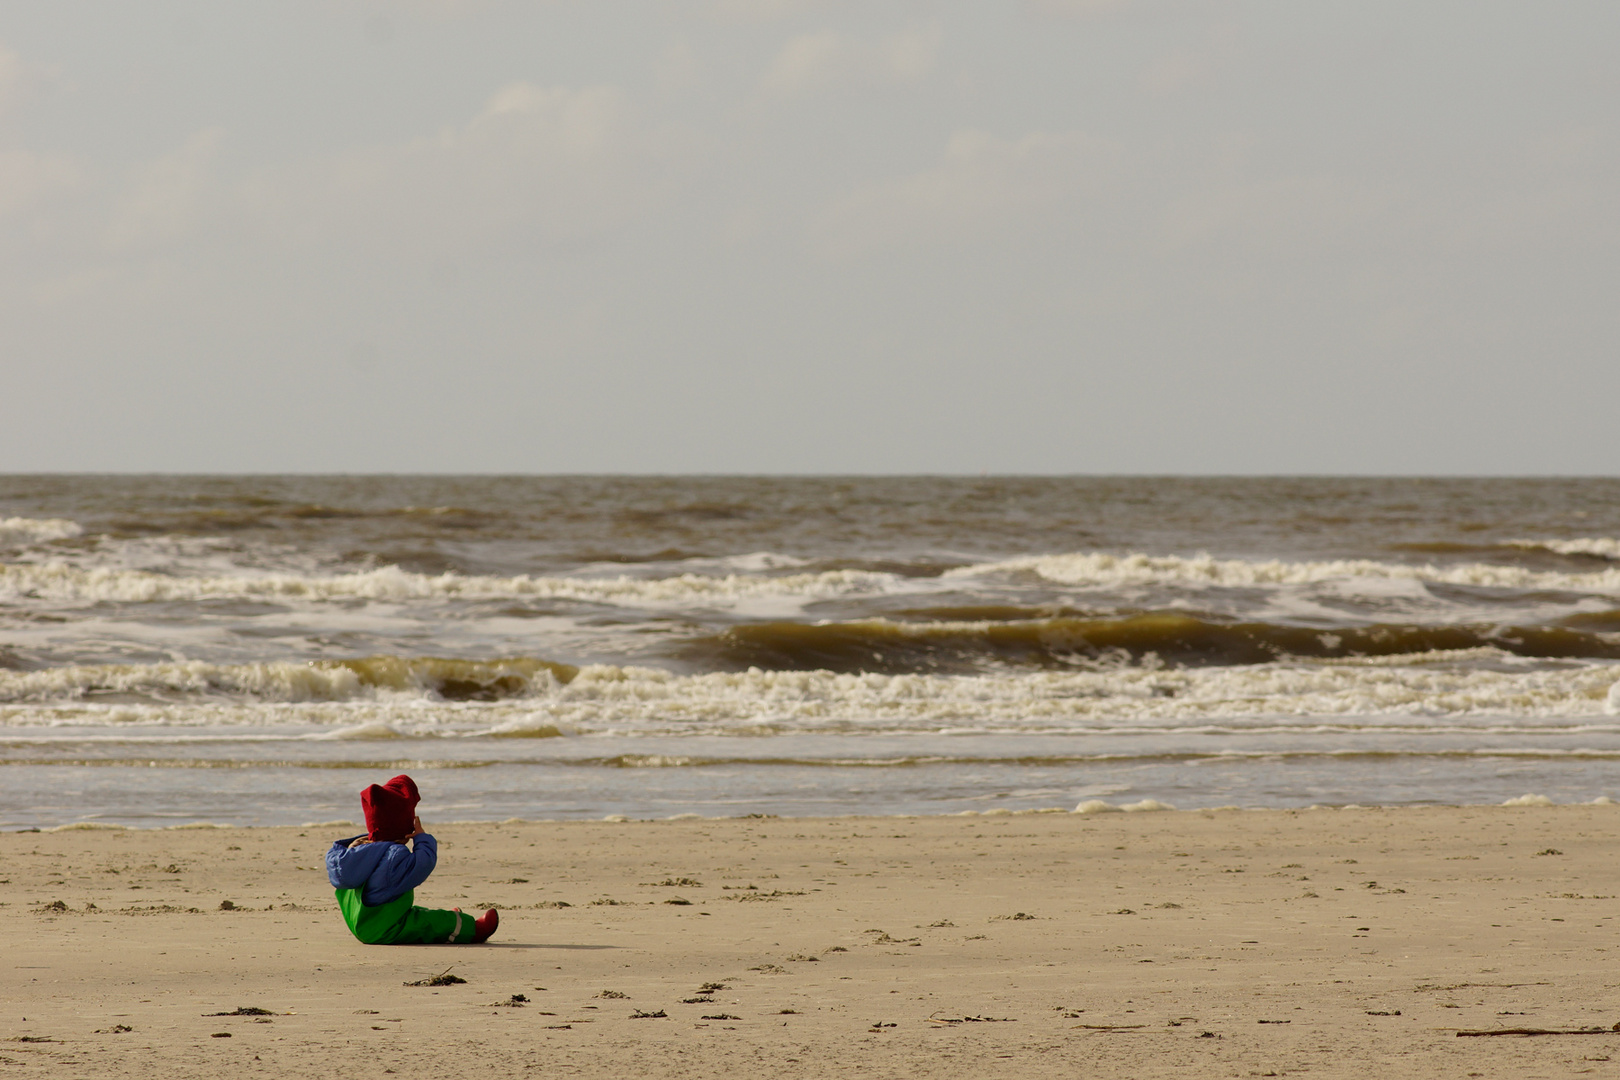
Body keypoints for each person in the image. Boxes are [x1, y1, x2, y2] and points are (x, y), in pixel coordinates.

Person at [326, 774, 498, 945]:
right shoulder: (395, 855)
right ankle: (471, 929)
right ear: (404, 830)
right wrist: (421, 838)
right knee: (433, 922)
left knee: (416, 913)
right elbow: (423, 864)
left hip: (362, 922)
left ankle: (453, 918)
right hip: (386, 928)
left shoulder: (354, 851)